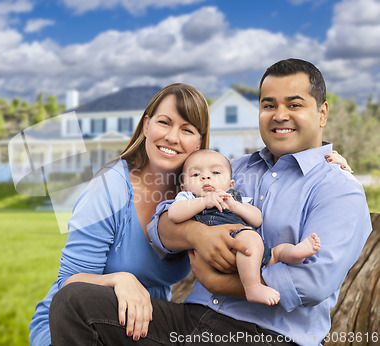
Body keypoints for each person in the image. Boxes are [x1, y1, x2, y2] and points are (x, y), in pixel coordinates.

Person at [49, 58, 371, 346]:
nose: (279, 115)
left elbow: (312, 283)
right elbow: (160, 226)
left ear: (322, 113)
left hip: (265, 335)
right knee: (76, 302)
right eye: (268, 105)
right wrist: (196, 235)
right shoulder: (234, 169)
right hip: (190, 322)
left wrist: (218, 281)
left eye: (294, 104)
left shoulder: (338, 189)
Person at [29, 83, 237, 345]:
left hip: (143, 325)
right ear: (146, 125)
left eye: (187, 130)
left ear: (199, 141)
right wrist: (119, 279)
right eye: (165, 122)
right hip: (75, 324)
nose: (173, 137)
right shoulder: (110, 188)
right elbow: (70, 282)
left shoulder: (193, 194)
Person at [168, 149, 321, 306]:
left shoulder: (234, 198)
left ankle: (295, 253)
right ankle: (253, 286)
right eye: (195, 175)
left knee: (277, 252)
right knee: (250, 238)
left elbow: (257, 219)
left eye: (215, 172)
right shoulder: (189, 198)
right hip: (226, 247)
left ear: (230, 185)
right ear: (183, 187)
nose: (206, 177)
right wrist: (203, 202)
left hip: (250, 251)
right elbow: (174, 214)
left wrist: (236, 206)